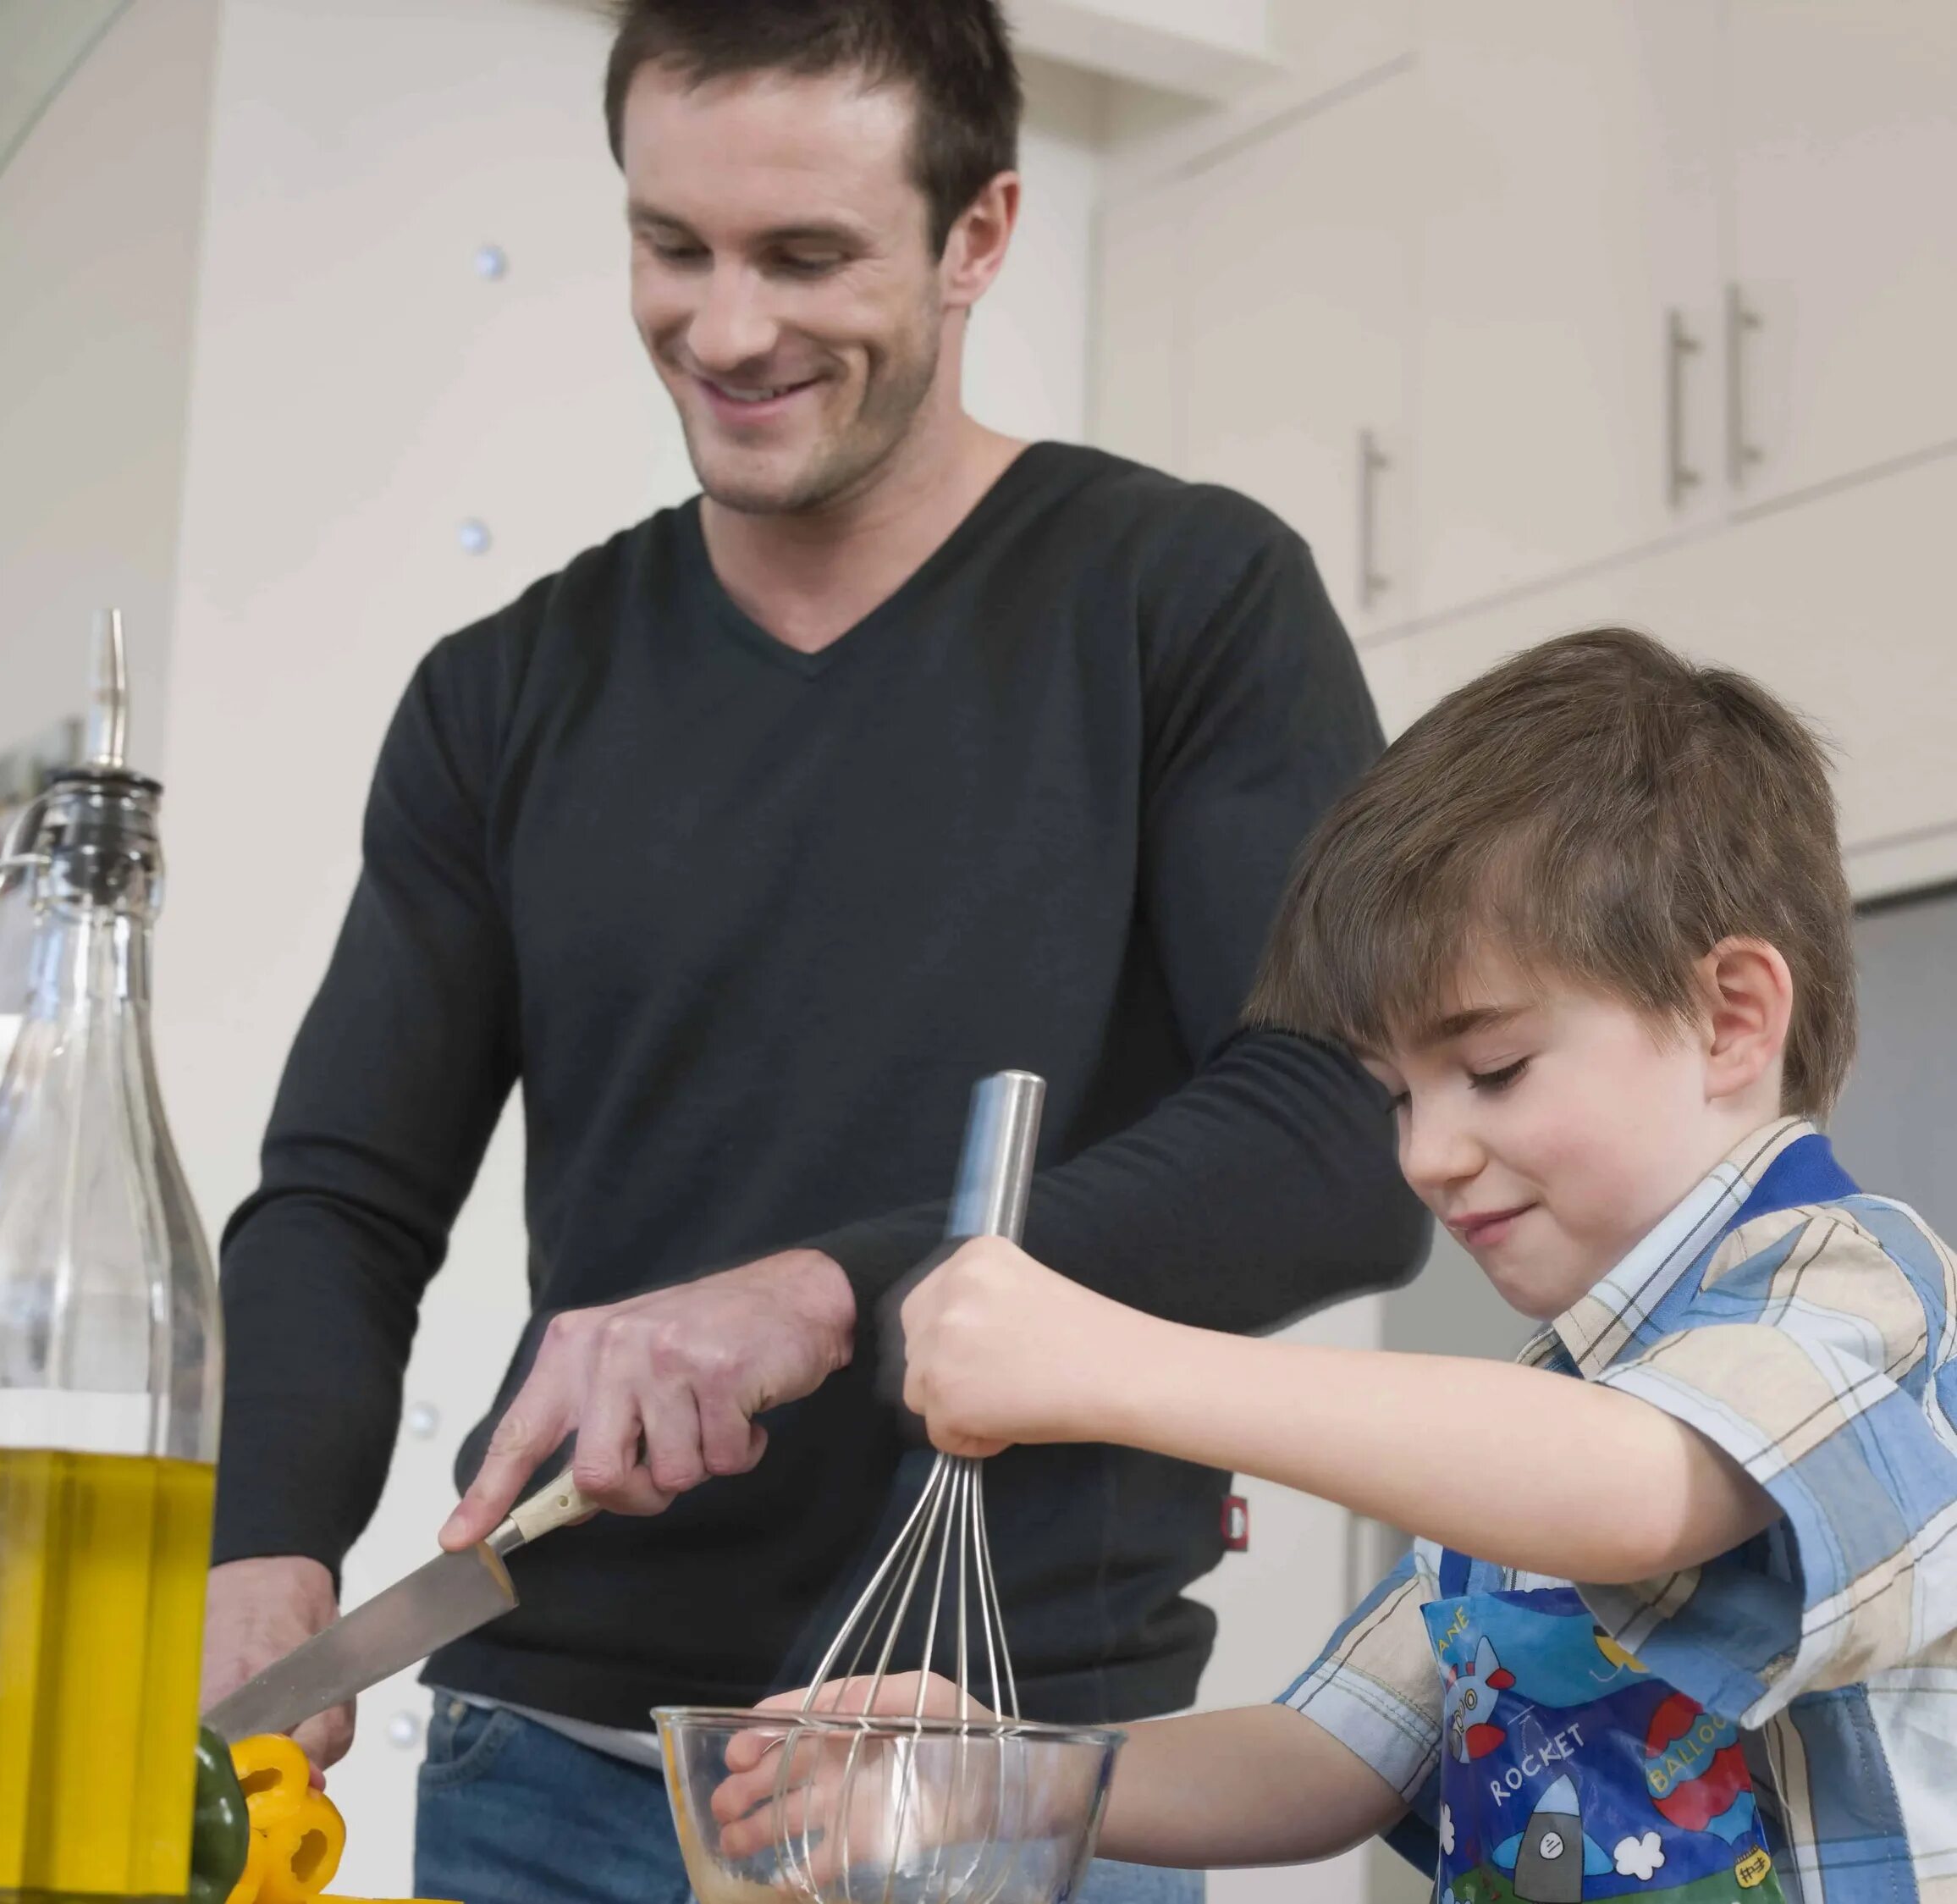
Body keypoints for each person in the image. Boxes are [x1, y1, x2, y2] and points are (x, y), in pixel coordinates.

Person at [201, 3, 1425, 1900]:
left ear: (979, 236)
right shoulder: (503, 694)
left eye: (807, 256)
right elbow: (344, 1200)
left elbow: (1342, 1141)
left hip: (999, 1780)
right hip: (545, 1778)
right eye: (671, 246)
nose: (729, 329)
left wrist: (824, 1295)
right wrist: (264, 1540)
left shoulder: (1183, 602)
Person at [775, 628, 1957, 1896]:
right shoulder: (1538, 1416)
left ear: (1729, 1017)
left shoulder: (1856, 1295)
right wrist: (1002, 1774)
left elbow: (1642, 1486)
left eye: (1491, 1067)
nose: (1429, 1153)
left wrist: (1101, 1357)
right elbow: (1327, 1753)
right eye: (1399, 1094)